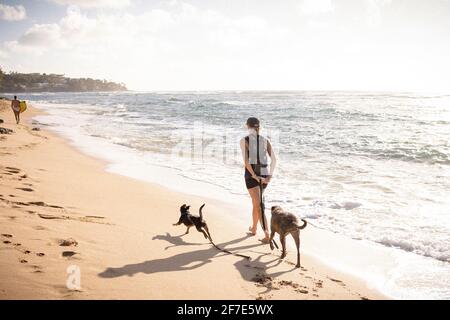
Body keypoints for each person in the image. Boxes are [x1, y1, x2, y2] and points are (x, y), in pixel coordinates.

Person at [240, 117, 277, 243]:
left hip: (252, 176)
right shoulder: (265, 140)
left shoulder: (244, 140)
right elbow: (274, 160)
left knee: (259, 205)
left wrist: (254, 176)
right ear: (259, 127)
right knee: (256, 203)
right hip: (264, 175)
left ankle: (267, 235)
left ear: (247, 126)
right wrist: (270, 176)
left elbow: (246, 162)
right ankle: (254, 228)